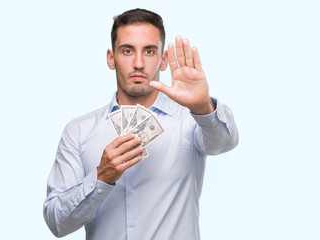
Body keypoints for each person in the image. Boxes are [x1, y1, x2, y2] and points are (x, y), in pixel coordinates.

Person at [43, 8, 239, 240]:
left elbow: (224, 143)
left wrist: (203, 107)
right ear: (111, 58)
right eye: (127, 51)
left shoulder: (189, 122)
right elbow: (57, 223)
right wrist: (101, 178)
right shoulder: (78, 131)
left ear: (163, 59)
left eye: (149, 51)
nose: (138, 63)